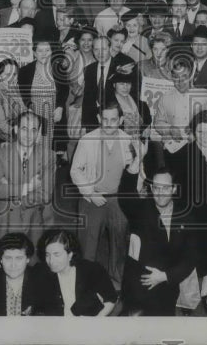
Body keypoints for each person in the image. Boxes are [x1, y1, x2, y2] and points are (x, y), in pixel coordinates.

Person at [167, 109, 207, 316]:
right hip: (191, 214)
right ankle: (188, 300)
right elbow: (169, 179)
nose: (205, 136)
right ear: (194, 132)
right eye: (200, 132)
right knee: (189, 255)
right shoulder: (184, 153)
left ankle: (205, 294)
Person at [118, 162, 197, 316]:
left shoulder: (186, 216)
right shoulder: (140, 209)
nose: (160, 193)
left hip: (167, 286)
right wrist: (134, 166)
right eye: (157, 187)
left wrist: (165, 276)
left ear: (174, 189)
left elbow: (191, 257)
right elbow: (125, 196)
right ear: (152, 188)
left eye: (166, 188)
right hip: (138, 286)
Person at [70, 101, 132, 288]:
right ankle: (85, 283)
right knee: (88, 245)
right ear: (99, 119)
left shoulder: (128, 140)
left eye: (113, 119)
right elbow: (75, 170)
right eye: (105, 119)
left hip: (118, 201)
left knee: (120, 245)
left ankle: (116, 283)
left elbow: (135, 170)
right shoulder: (87, 140)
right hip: (93, 198)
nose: (109, 124)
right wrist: (90, 192)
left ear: (120, 120)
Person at [0, 110, 56, 245]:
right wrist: (28, 187)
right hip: (8, 220)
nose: (29, 135)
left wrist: (16, 197)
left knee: (34, 261)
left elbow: (46, 194)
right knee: (8, 258)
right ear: (15, 129)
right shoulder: (0, 155)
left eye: (33, 130)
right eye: (24, 129)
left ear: (38, 133)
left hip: (36, 218)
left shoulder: (48, 156)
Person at [34, 229, 118, 316]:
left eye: (56, 254)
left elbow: (111, 299)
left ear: (70, 254)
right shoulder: (41, 272)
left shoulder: (92, 270)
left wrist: (96, 320)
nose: (51, 261)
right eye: (47, 255)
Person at [0, 233, 43, 316]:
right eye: (8, 258)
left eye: (19, 258)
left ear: (27, 259)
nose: (13, 265)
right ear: (1, 259)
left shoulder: (41, 281)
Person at [0, 56, 26, 146]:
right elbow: (1, 128)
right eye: (7, 74)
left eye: (14, 74)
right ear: (0, 76)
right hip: (5, 143)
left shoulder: (17, 91)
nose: (12, 78)